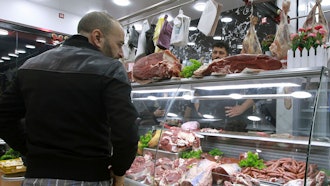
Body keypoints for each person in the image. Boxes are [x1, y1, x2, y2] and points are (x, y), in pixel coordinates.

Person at [0, 11, 139, 186]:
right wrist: (119, 169)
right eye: (119, 44)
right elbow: (126, 131)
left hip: (36, 177)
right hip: (89, 178)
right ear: (97, 37)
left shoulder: (29, 66)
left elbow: (3, 117)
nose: (121, 53)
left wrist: (32, 151)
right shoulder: (111, 69)